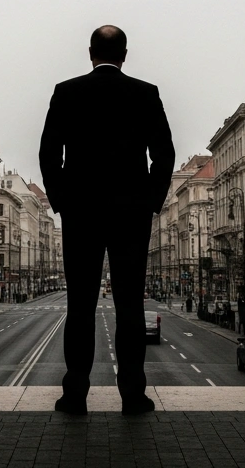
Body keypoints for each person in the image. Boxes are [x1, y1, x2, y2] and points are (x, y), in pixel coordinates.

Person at [40, 25, 175, 415]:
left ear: (90, 53)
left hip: (81, 212)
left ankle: (75, 394)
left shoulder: (66, 92)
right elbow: (163, 154)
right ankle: (133, 394)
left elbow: (49, 153)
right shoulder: (145, 93)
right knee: (131, 306)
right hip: (131, 212)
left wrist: (61, 201)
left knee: (79, 306)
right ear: (125, 55)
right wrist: (150, 200)